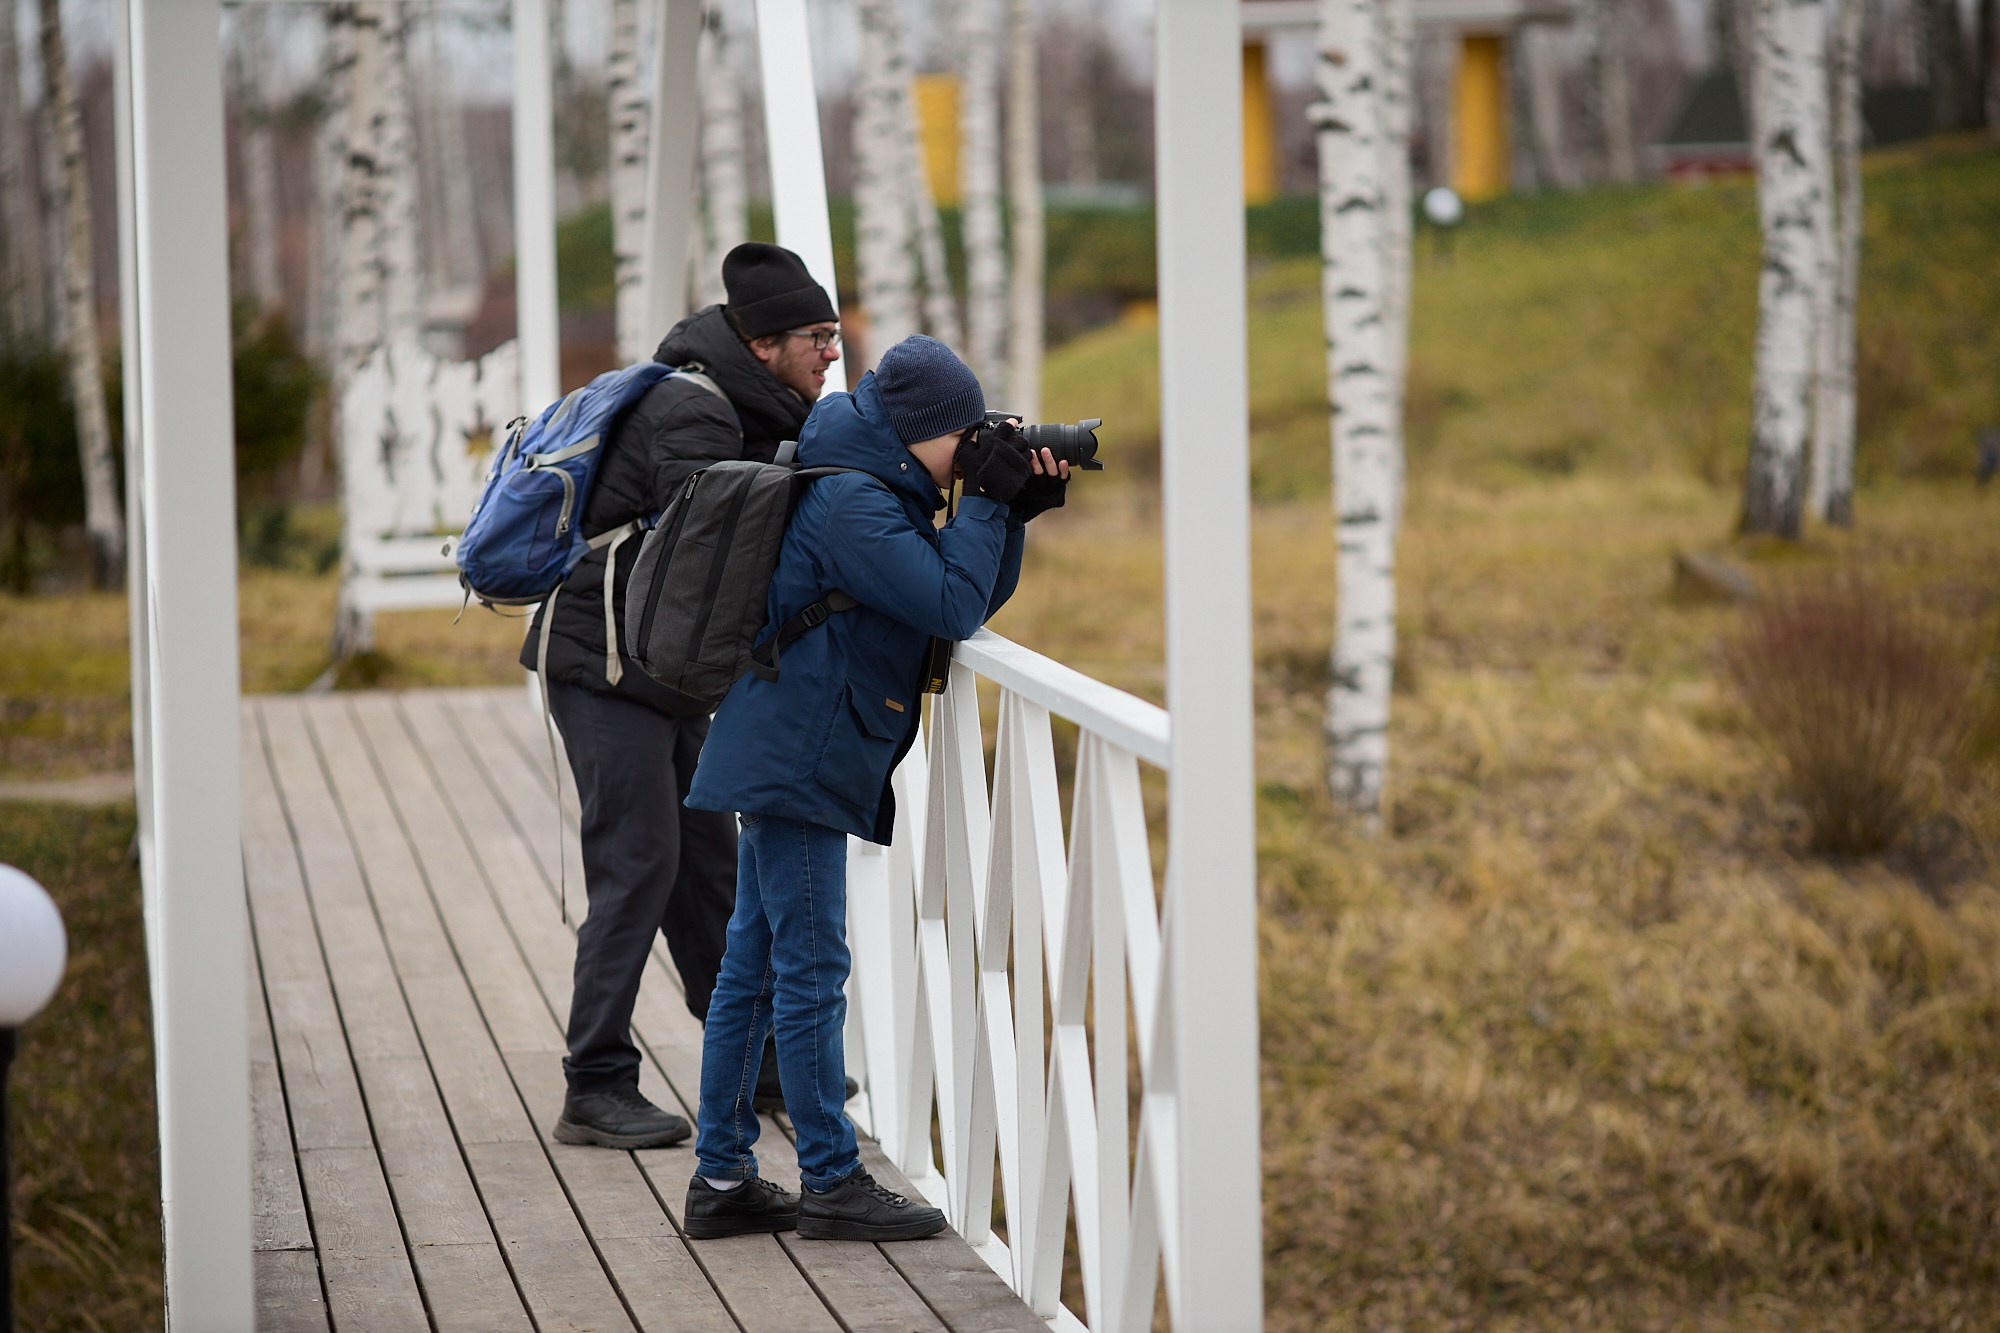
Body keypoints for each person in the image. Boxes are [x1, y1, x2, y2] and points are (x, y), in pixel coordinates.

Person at [676, 335, 1069, 1241]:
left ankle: (724, 1176)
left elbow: (958, 593)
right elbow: (949, 605)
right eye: (964, 436)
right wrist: (989, 501)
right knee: (809, 970)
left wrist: (1011, 512)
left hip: (792, 745)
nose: (972, 450)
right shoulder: (855, 500)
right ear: (920, 430)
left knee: (754, 966)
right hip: (802, 757)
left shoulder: (868, 479)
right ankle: (831, 1178)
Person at [526, 242, 842, 1149]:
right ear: (763, 341)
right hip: (603, 665)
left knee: (706, 862)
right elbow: (718, 551)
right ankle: (595, 1081)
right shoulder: (692, 412)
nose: (830, 352)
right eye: (816, 337)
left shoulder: (735, 401)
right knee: (640, 863)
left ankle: (753, 1059)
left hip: (656, 671)